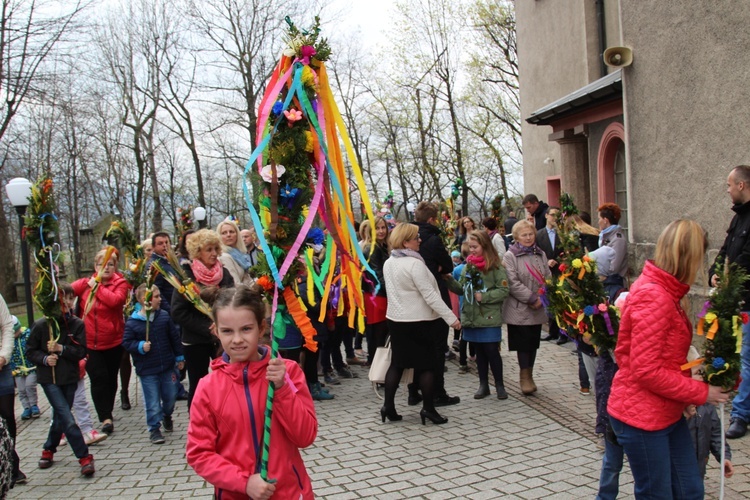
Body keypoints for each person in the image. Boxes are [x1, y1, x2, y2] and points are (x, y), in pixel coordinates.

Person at [607, 219, 730, 499]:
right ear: (688, 256)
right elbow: (646, 370)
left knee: (689, 490)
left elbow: (664, 360)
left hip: (664, 411)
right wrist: (701, 392)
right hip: (641, 417)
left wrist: (683, 397)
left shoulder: (666, 291)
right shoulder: (655, 296)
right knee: (657, 494)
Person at [186, 285, 317, 499]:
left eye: (246, 329)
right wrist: (244, 482)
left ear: (262, 327)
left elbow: (305, 436)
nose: (237, 339)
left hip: (289, 492)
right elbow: (199, 453)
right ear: (216, 331)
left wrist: (283, 390)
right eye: (227, 331)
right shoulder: (208, 387)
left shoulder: (288, 371)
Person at [381, 223, 461, 425]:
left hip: (396, 319)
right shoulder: (414, 264)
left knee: (397, 364)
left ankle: (388, 406)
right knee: (427, 366)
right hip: (419, 320)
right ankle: (428, 409)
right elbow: (431, 296)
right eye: (416, 237)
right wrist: (451, 318)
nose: (420, 240)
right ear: (406, 241)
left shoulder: (390, 262)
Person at [26, 283, 95, 477]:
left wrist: (61, 349)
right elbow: (30, 351)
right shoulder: (41, 326)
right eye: (64, 298)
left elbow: (81, 351)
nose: (68, 302)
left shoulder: (77, 324)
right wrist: (45, 359)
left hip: (70, 377)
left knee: (60, 418)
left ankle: (48, 449)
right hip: (49, 379)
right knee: (67, 418)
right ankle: (84, 457)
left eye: (71, 298)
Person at [171, 229, 234, 410]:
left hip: (221, 338)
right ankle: (197, 422)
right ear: (198, 252)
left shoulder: (224, 274)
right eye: (209, 249)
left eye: (216, 249)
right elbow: (178, 312)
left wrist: (222, 325)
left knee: (225, 380)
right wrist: (208, 327)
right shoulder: (186, 276)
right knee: (198, 383)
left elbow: (231, 301)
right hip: (195, 340)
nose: (214, 253)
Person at [71, 246, 131, 435]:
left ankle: (108, 409)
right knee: (98, 378)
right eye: (101, 264)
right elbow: (67, 292)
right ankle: (105, 417)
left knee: (111, 379)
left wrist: (95, 286)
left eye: (110, 264)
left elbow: (115, 301)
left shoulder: (120, 283)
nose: (105, 268)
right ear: (95, 266)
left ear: (115, 267)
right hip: (89, 342)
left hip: (113, 341)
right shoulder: (86, 283)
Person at [447, 230, 509, 400]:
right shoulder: (468, 266)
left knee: (491, 350)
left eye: (475, 247)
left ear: (485, 246)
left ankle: (499, 385)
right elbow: (461, 288)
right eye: (470, 247)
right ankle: (483, 384)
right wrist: (448, 280)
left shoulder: (496, 267)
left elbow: (504, 290)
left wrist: (486, 297)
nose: (471, 250)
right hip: (472, 317)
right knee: (480, 352)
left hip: (489, 317)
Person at [123, 284, 184, 445]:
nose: (160, 299)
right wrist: (139, 346)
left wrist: (179, 357)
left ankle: (167, 415)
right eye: (156, 296)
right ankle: (154, 428)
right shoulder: (133, 322)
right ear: (145, 299)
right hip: (147, 369)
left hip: (167, 366)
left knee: (170, 396)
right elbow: (127, 342)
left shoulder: (163, 316)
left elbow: (174, 338)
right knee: (152, 401)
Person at [714, 165, 750, 439]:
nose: (727, 190)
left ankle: (740, 415)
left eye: (729, 185)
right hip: (735, 299)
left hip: (747, 299)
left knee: (747, 359)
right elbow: (726, 249)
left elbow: (746, 257)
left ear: (741, 185)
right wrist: (715, 272)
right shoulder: (738, 218)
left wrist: (729, 280)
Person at [414, 201, 461, 406]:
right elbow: (448, 264)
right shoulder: (433, 240)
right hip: (434, 295)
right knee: (437, 347)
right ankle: (438, 392)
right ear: (432, 220)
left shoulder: (405, 237)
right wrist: (440, 268)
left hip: (413, 300)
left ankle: (413, 390)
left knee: (418, 347)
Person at [502, 220, 551, 395]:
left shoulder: (540, 254)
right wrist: (531, 298)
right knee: (523, 344)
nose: (528, 238)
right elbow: (512, 282)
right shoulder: (510, 256)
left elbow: (547, 276)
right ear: (516, 237)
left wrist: (542, 295)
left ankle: (530, 374)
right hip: (520, 307)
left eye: (530, 234)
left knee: (533, 342)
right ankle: (524, 377)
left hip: (538, 305)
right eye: (524, 235)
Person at [684, 347, 733, 481]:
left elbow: (716, 433)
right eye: (697, 373)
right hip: (678, 467)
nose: (702, 377)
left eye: (702, 372)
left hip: (699, 465)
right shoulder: (677, 409)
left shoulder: (706, 404)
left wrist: (724, 457)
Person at [0, 294, 25, 487]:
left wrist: (4, 356)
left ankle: (9, 462)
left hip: (1, 365)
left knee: (7, 415)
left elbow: (7, 326)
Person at [362, 216, 390, 366]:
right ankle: (377, 368)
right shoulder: (372, 248)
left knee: (379, 334)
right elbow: (378, 274)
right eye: (377, 228)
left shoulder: (380, 246)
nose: (381, 231)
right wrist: (391, 292)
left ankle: (377, 366)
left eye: (383, 227)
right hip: (377, 296)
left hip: (377, 294)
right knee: (378, 334)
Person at [597, 203, 628, 300]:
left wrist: (600, 273)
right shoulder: (607, 236)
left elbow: (614, 267)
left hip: (613, 283)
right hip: (606, 283)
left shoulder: (617, 239)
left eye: (599, 219)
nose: (598, 222)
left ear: (605, 220)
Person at [10, 316, 38, 420]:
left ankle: (34, 405)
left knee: (30, 386)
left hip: (30, 367)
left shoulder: (27, 335)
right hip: (17, 370)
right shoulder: (9, 340)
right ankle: (26, 407)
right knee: (21, 390)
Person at [217, 219, 254, 286]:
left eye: (231, 232)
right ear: (219, 236)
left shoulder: (238, 253)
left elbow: (247, 278)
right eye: (224, 233)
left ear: (237, 234)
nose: (228, 235)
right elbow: (236, 284)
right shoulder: (224, 256)